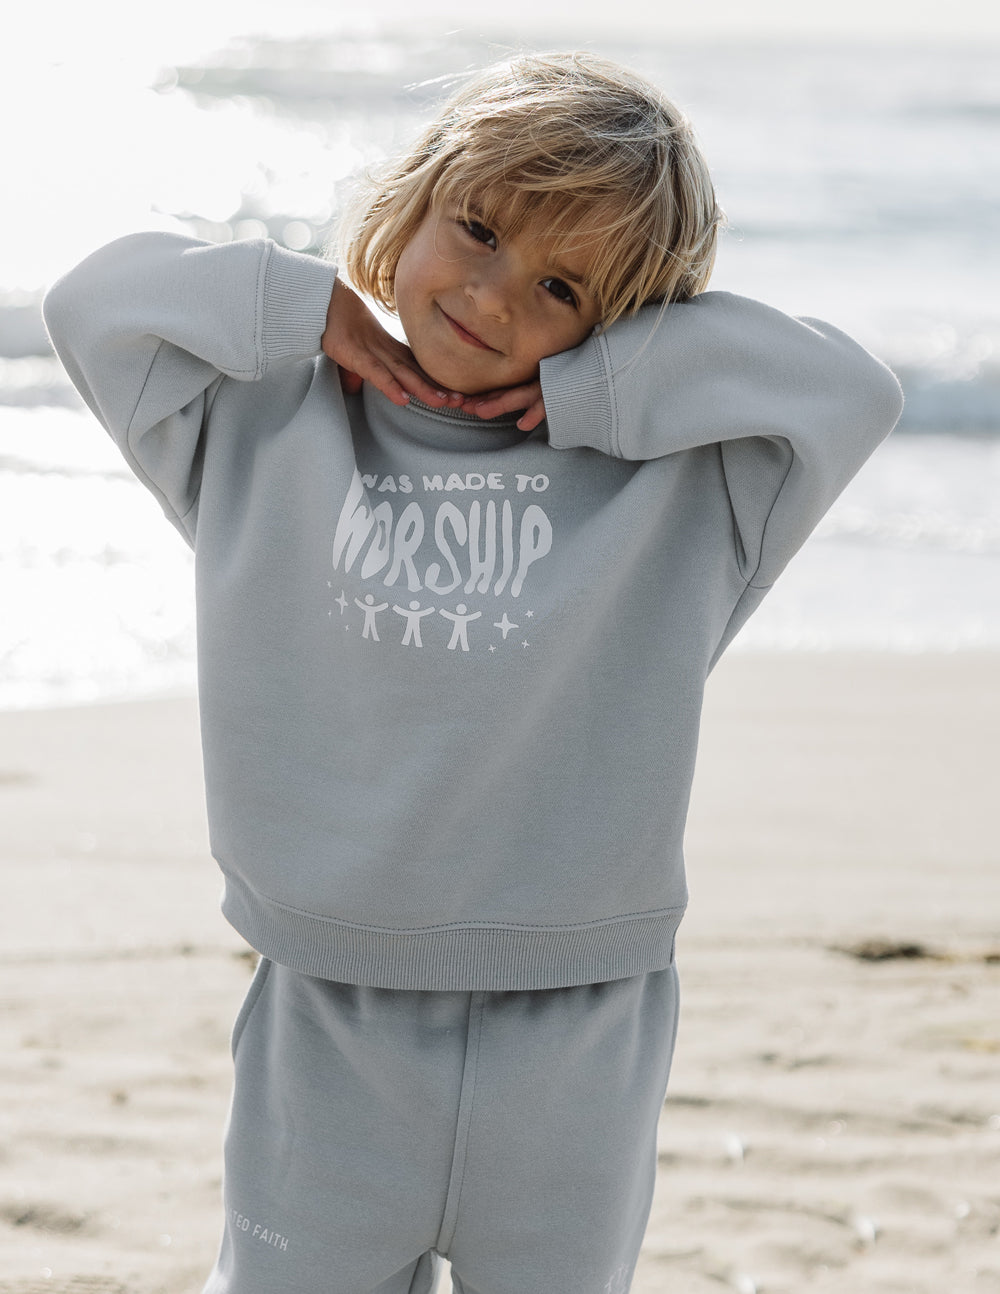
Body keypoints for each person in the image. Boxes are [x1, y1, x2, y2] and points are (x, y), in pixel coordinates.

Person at [43, 50, 903, 1294]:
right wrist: (302, 308)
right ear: (412, 196)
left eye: (559, 286)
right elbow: (95, 303)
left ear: (620, 324)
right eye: (479, 229)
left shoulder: (676, 494)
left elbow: (846, 389)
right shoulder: (265, 427)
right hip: (327, 1021)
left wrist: (607, 385)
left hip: (578, 1029)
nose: (494, 296)